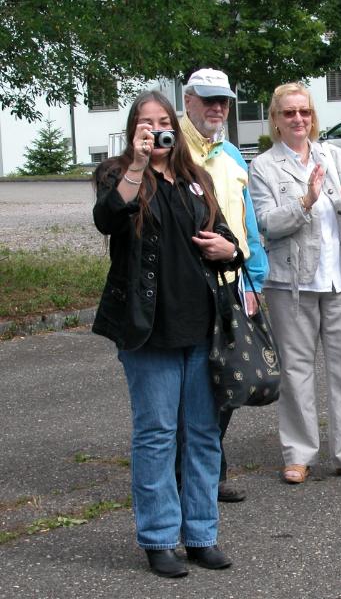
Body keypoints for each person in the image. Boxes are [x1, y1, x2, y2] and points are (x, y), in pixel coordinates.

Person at [92, 90, 239, 576]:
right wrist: (136, 164)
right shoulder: (119, 174)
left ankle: (201, 533)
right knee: (156, 434)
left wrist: (229, 250)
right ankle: (158, 538)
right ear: (134, 128)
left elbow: (226, 237)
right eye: (145, 123)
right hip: (147, 328)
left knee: (201, 434)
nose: (155, 130)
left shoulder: (195, 178)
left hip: (201, 327)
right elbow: (108, 218)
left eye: (162, 121)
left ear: (175, 126)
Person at [249, 82, 341, 484]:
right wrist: (305, 201)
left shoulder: (332, 155)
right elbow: (267, 223)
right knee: (296, 370)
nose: (298, 119)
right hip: (291, 283)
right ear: (276, 120)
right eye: (289, 113)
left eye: (304, 112)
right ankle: (298, 455)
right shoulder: (264, 167)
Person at [178, 67, 268, 503]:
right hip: (189, 290)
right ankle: (188, 478)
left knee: (229, 379)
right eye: (208, 99)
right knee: (191, 387)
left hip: (233, 282)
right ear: (188, 99)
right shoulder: (171, 150)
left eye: (224, 101)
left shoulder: (231, 152)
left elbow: (247, 222)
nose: (217, 108)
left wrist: (255, 277)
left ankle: (209, 472)